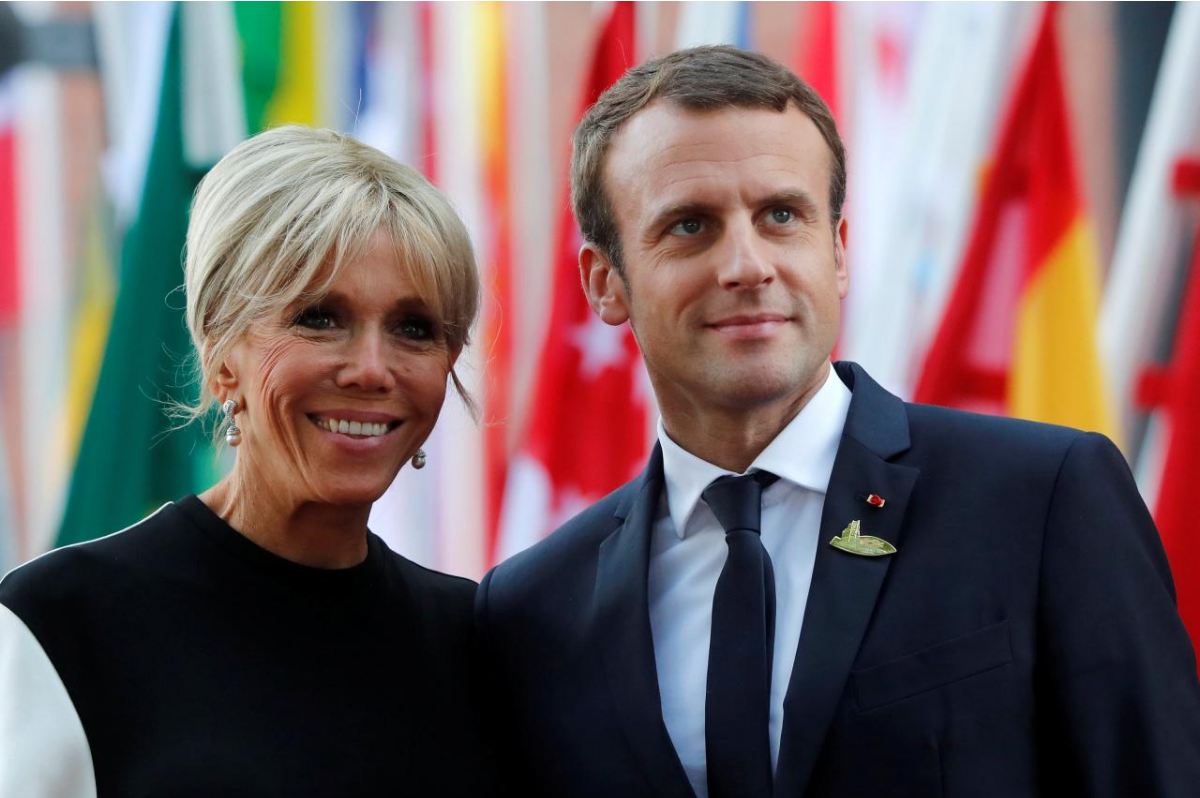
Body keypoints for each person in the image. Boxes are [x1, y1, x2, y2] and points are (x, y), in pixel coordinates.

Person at [475, 46, 1200, 797]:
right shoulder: (533, 611)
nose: (747, 265)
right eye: (691, 226)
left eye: (781, 215)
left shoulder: (1042, 499)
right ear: (605, 282)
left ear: (839, 251)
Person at [0, 126, 498, 796]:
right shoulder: (58, 626)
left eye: (414, 328)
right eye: (321, 318)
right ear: (219, 350)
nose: (372, 369)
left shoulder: (478, 641)